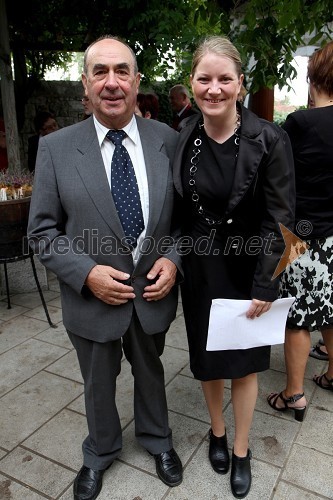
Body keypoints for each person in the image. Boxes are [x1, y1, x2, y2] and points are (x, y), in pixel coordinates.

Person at [28, 35, 183, 500]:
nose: (111, 82)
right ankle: (100, 450)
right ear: (86, 84)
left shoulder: (170, 142)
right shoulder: (55, 148)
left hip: (152, 293)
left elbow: (187, 224)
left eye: (121, 72)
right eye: (101, 72)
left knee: (151, 371)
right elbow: (42, 232)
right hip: (90, 297)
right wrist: (86, 273)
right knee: (97, 381)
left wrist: (174, 261)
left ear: (137, 83)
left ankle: (158, 440)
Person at [172, 35, 294, 499]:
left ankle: (241, 449)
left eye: (225, 79)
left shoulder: (269, 138)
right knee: (209, 364)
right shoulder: (183, 137)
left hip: (250, 272)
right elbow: (179, 212)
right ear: (193, 84)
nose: (214, 88)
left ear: (240, 84)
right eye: (205, 79)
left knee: (244, 366)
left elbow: (283, 221)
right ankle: (217, 432)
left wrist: (267, 282)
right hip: (201, 271)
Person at [267, 40, 333, 420]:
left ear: (314, 75)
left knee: (297, 315)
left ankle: (294, 394)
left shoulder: (301, 123)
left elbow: (278, 177)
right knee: (330, 309)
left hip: (302, 238)